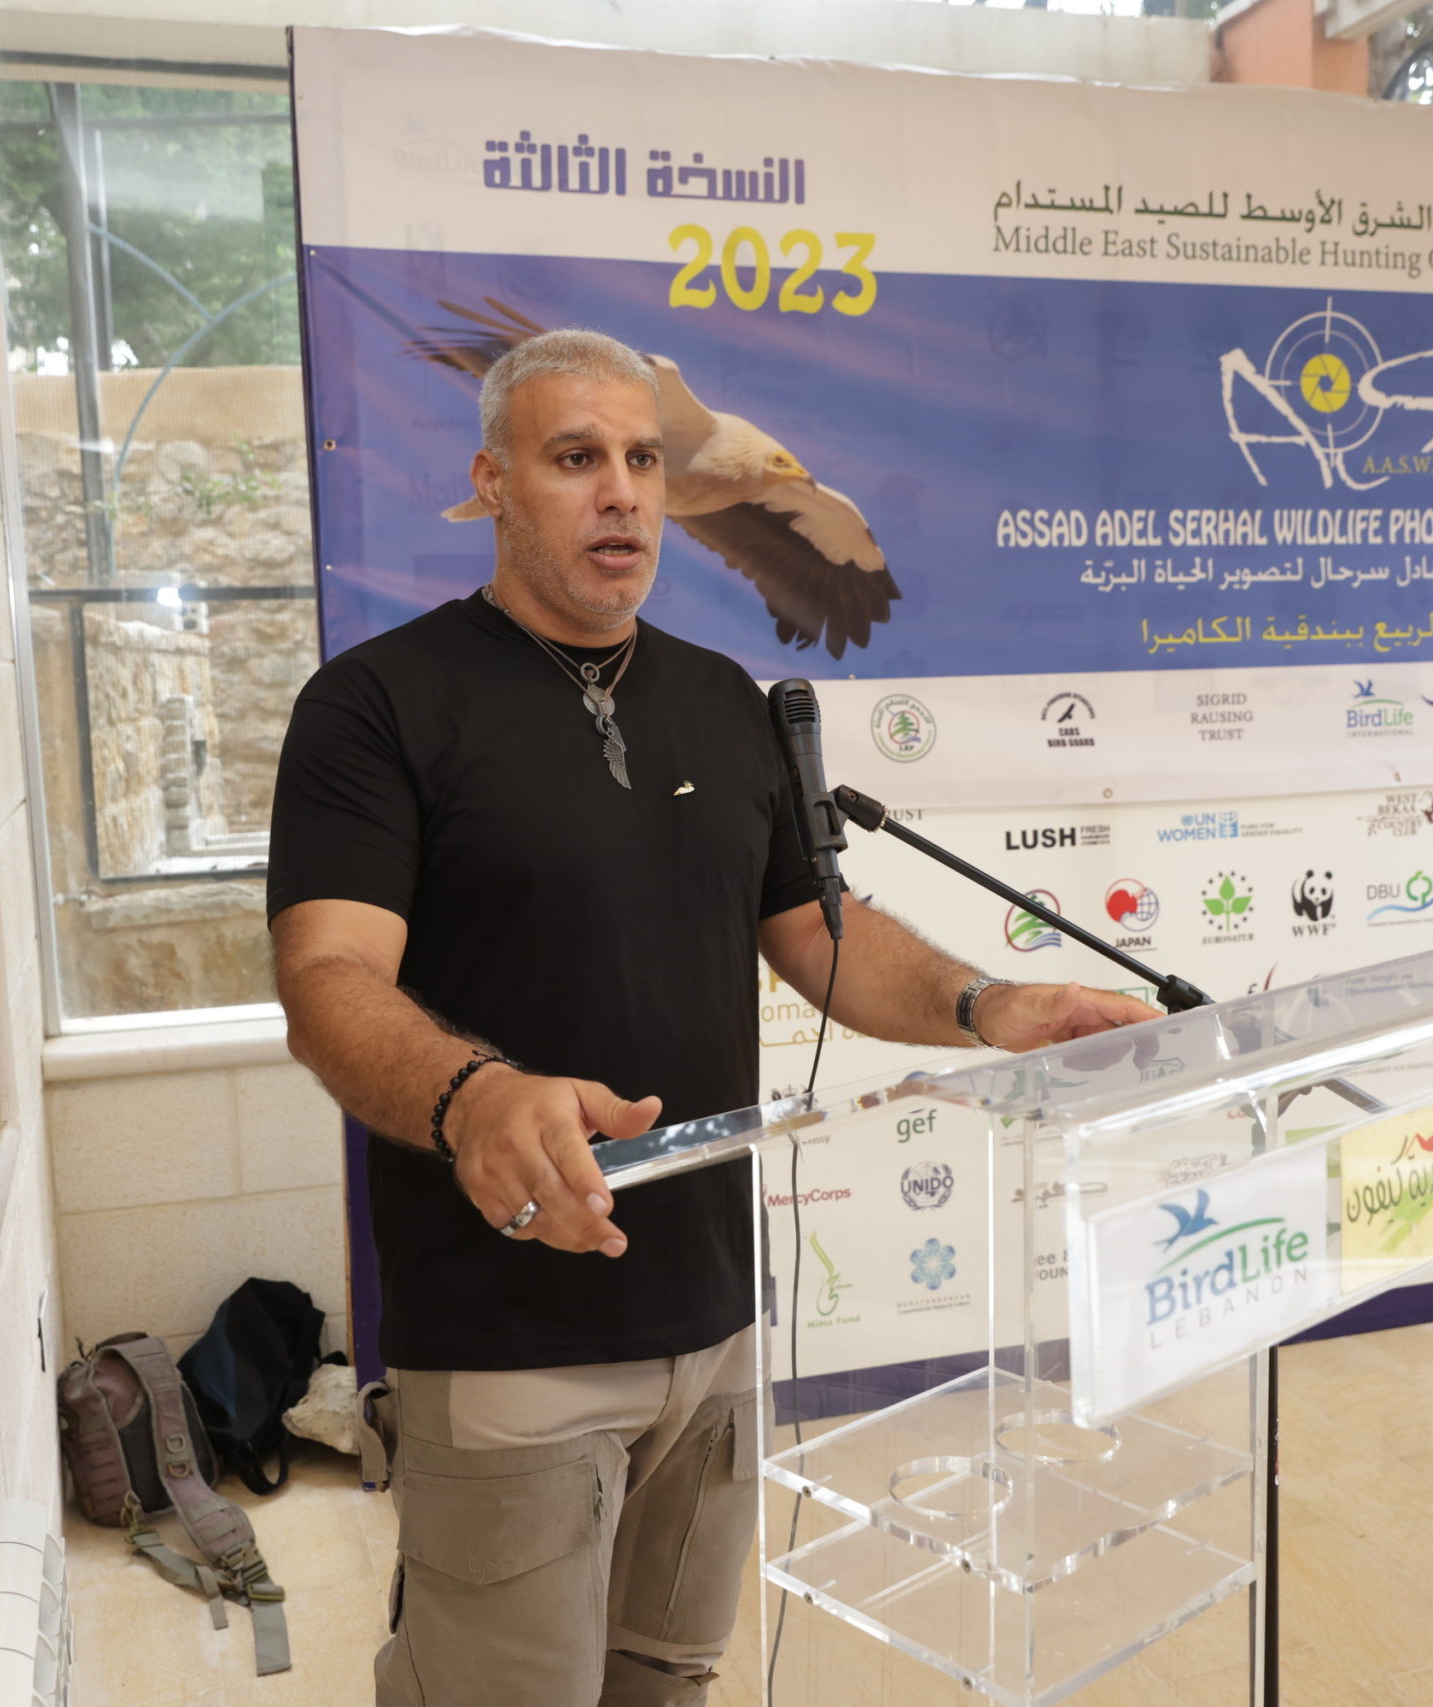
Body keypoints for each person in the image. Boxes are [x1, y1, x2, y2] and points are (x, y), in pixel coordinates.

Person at [267, 328, 1154, 1707]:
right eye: (576, 458)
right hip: (509, 1333)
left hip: (718, 1328)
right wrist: (473, 1095)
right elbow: (327, 980)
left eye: (642, 458)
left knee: (667, 1678)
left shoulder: (724, 702)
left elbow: (819, 937)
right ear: (492, 482)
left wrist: (987, 1003)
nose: (624, 491)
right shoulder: (377, 705)